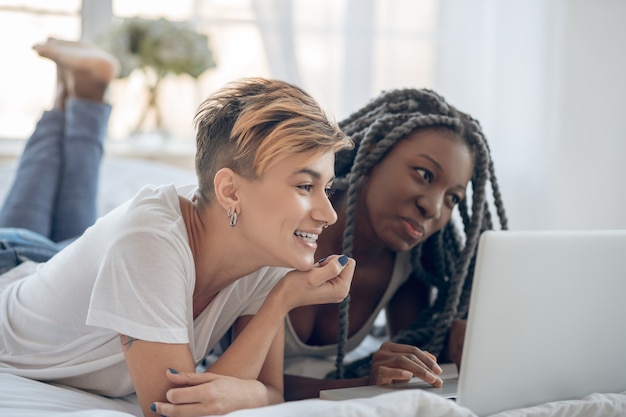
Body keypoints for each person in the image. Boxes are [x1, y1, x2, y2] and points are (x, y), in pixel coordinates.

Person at [0, 40, 356, 417]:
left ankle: (83, 89)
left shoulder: (268, 250)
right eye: (305, 186)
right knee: (41, 195)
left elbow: (270, 392)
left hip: (57, 267)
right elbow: (173, 409)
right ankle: (79, 92)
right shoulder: (148, 242)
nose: (329, 215)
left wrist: (258, 384)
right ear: (230, 191)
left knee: (67, 205)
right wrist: (279, 302)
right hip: (9, 264)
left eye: (327, 189)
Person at [281, 88, 509, 400]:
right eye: (424, 174)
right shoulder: (285, 222)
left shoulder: (408, 265)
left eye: (453, 198)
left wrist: (453, 342)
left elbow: (407, 363)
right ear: (374, 151)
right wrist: (364, 385)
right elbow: (245, 381)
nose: (434, 208)